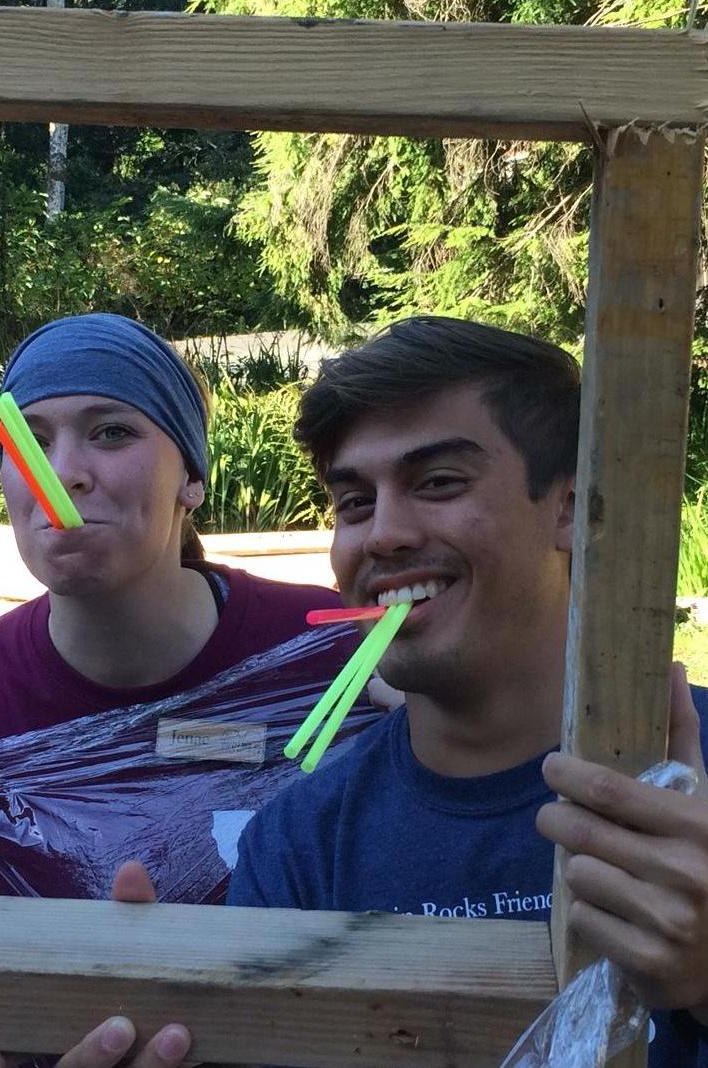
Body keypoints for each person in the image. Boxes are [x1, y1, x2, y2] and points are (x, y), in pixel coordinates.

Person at [0, 312, 387, 1066]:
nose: (64, 471)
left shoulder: (330, 650)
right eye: (30, 440)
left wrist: (438, 713)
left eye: (110, 433)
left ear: (193, 477)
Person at [225, 316, 708, 1066]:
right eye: (354, 502)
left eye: (438, 482)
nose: (382, 535)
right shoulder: (299, 847)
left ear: (574, 508)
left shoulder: (696, 783)